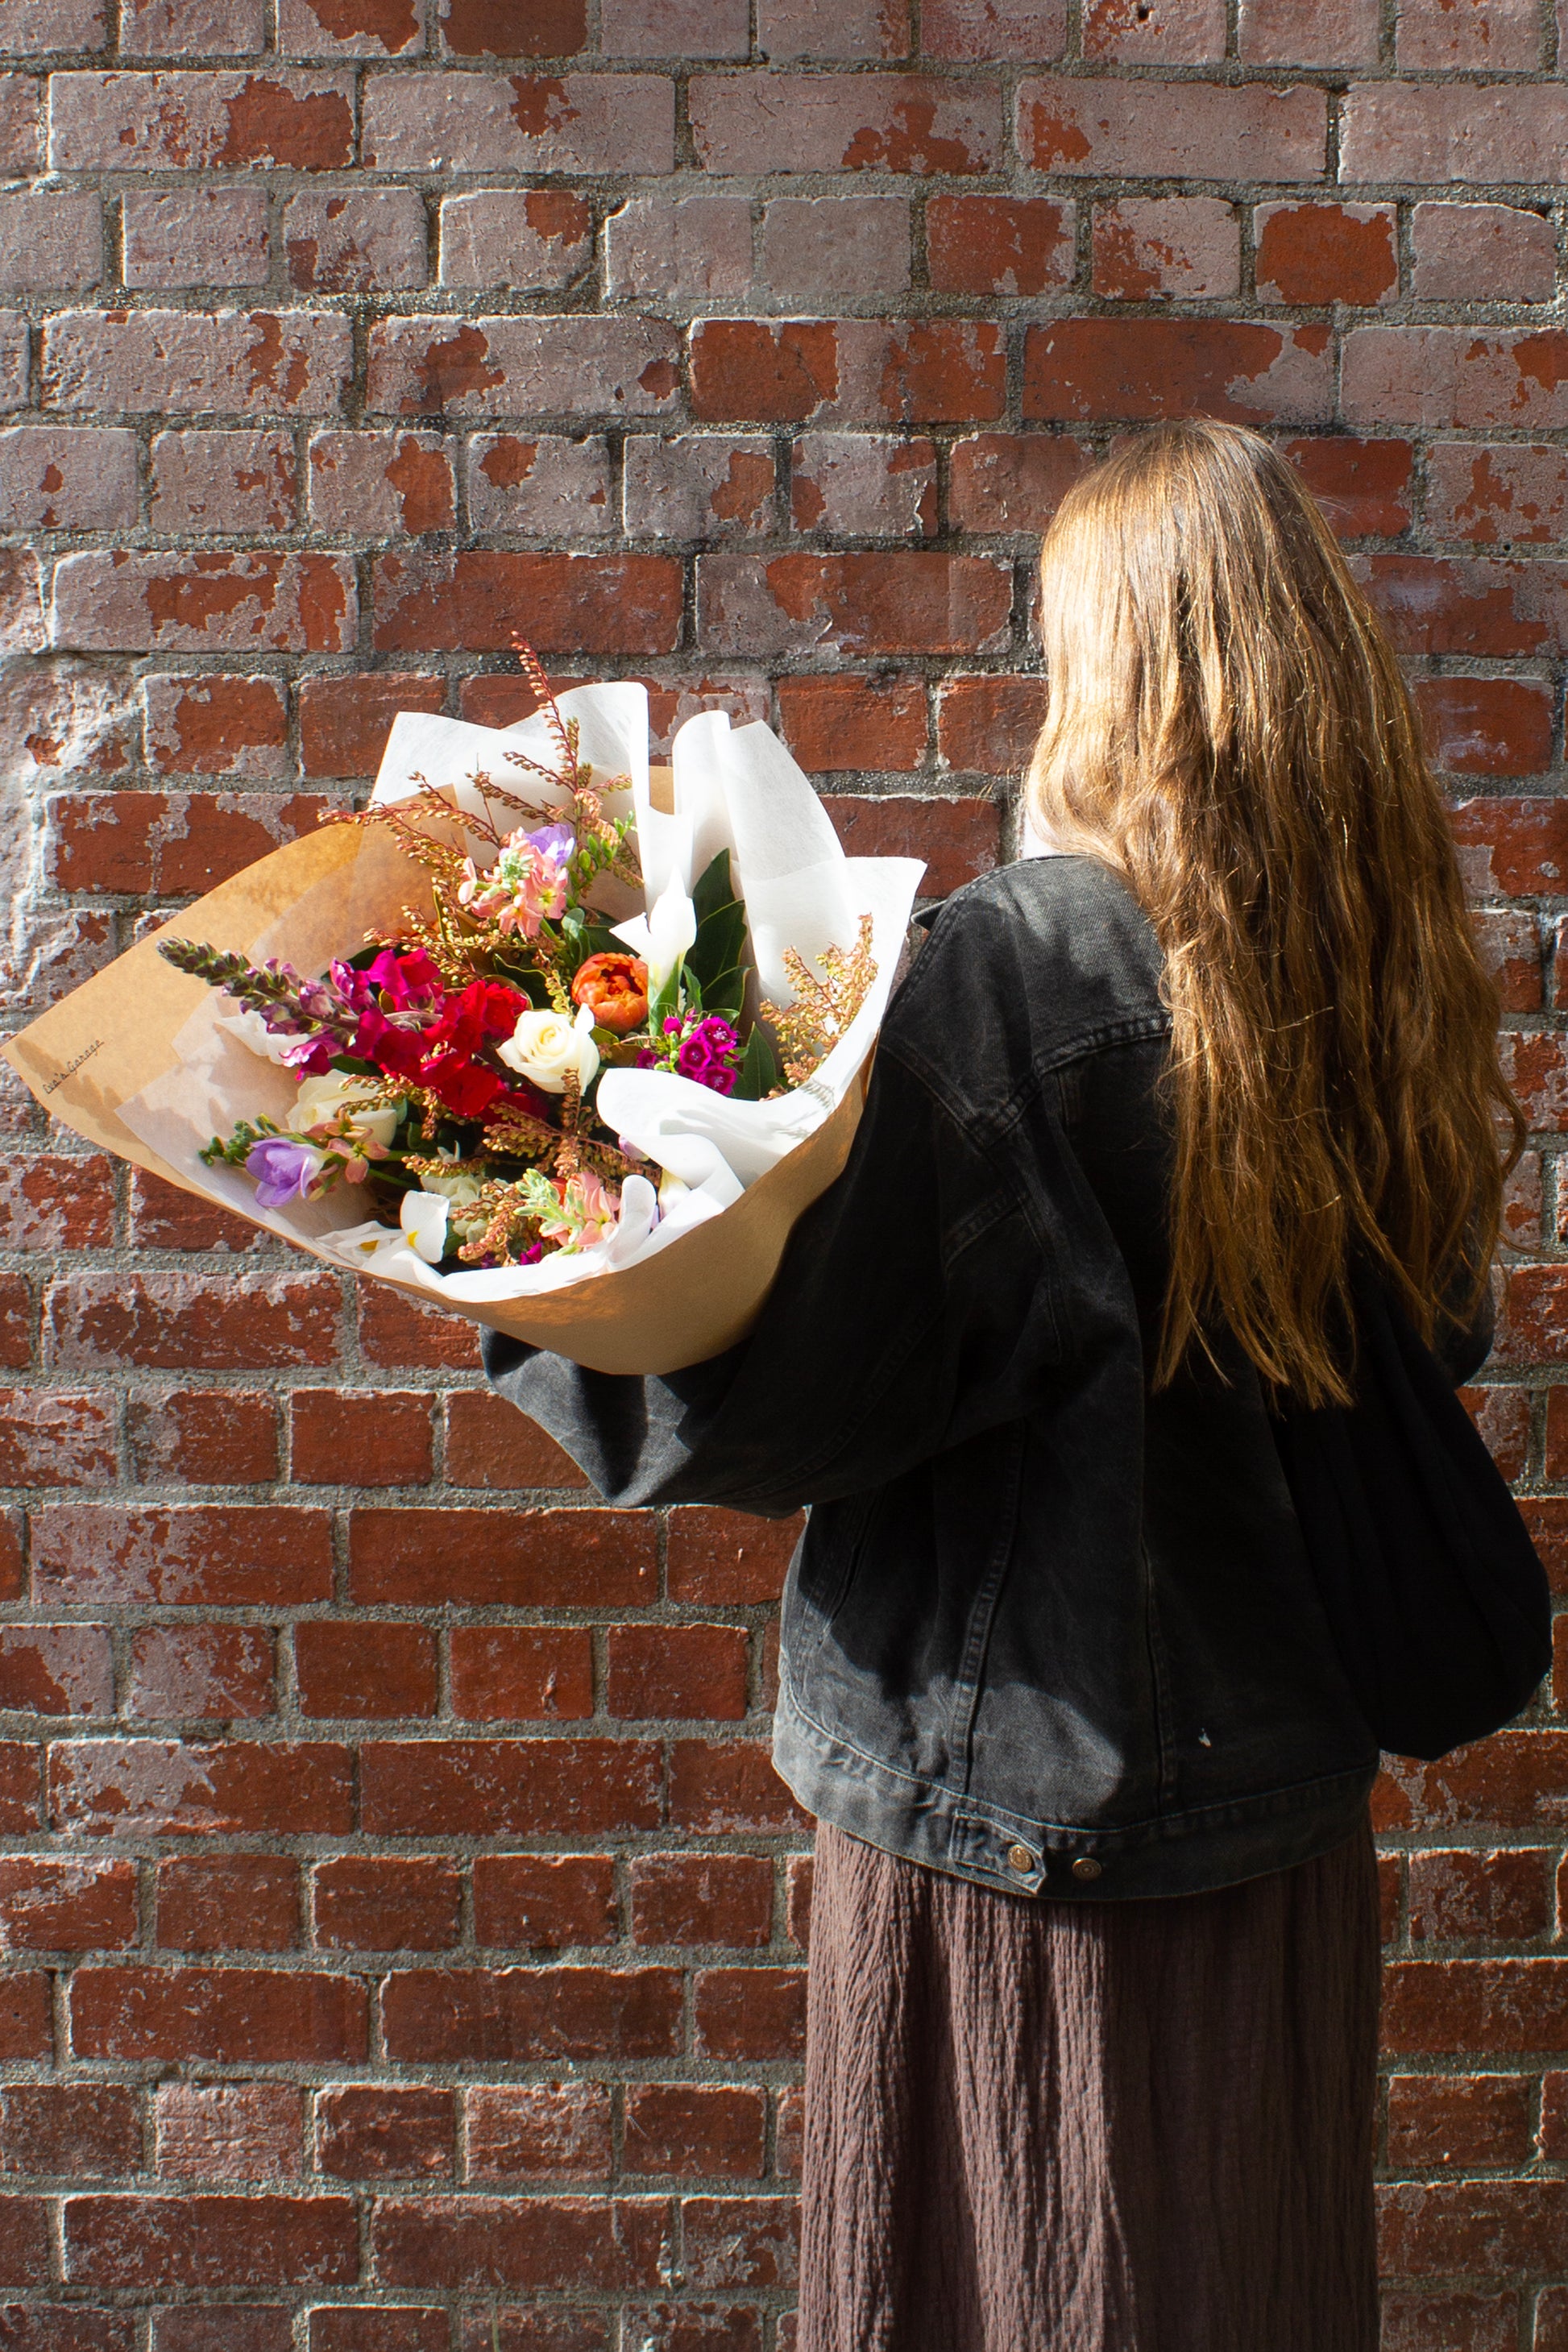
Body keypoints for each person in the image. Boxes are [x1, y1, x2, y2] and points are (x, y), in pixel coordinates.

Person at [482, 419, 1520, 2352]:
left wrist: (548, 1249)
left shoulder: (1022, 974)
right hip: (1275, 1820)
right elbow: (1422, 1345)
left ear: (1113, 678)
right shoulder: (1391, 978)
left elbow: (810, 1404)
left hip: (1022, 1846)